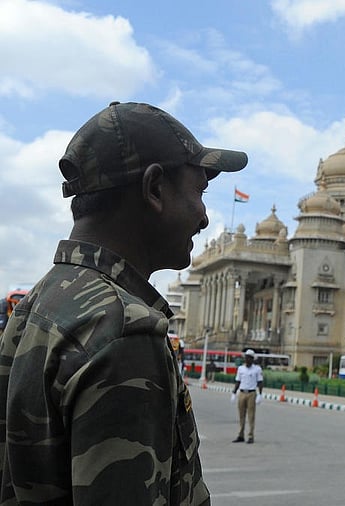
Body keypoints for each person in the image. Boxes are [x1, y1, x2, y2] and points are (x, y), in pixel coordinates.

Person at [0, 101, 247, 504]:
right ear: (154, 189)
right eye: (198, 192)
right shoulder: (122, 329)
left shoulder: (43, 302)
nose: (203, 218)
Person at [231, 349, 264, 444]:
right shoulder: (241, 368)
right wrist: (234, 392)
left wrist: (260, 395)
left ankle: (250, 436)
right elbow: (238, 381)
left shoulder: (257, 369)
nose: (247, 359)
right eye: (246, 357)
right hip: (242, 392)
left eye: (249, 358)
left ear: (252, 359)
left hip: (251, 393)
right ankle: (241, 435)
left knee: (251, 416)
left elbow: (260, 382)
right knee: (241, 416)